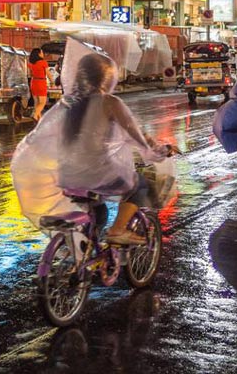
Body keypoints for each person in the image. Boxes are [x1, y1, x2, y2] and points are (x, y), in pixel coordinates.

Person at [11, 45, 171, 245]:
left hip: (66, 175)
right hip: (98, 174)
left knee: (98, 211)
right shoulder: (110, 102)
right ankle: (118, 230)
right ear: (107, 77)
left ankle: (86, 252)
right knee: (141, 186)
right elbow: (137, 135)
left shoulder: (67, 105)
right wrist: (161, 149)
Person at [28, 47, 49, 121]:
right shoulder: (43, 62)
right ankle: (35, 115)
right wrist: (52, 82)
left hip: (33, 82)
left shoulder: (30, 64)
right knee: (42, 103)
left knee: (36, 103)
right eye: (42, 52)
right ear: (39, 54)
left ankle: (38, 120)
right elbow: (48, 74)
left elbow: (30, 74)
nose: (43, 54)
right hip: (41, 82)